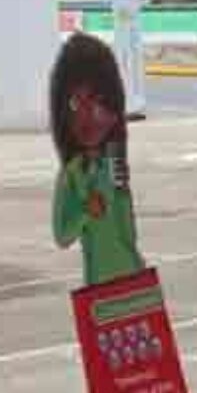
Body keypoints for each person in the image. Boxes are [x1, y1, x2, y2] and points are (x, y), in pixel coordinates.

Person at [49, 33, 145, 287]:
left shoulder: (114, 163)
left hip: (135, 278)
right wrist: (84, 212)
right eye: (75, 104)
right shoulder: (72, 175)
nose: (87, 117)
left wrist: (121, 192)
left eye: (98, 102)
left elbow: (128, 232)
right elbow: (62, 235)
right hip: (100, 289)